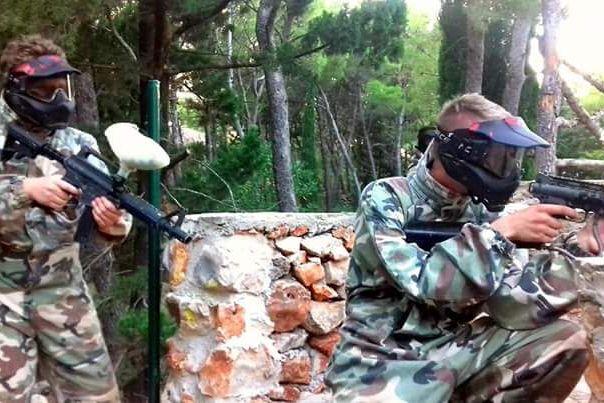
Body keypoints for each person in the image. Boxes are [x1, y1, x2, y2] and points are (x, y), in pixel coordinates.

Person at [325, 93, 600, 402]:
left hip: (456, 349)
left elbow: (513, 310)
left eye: (511, 157)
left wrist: (581, 249)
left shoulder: (485, 213)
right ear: (461, 151)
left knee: (565, 340)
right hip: (379, 357)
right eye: (499, 157)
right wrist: (499, 235)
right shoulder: (386, 197)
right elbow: (421, 282)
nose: (508, 169)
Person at [0, 35, 131, 402]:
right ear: (17, 86)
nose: (58, 99)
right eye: (44, 91)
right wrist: (26, 190)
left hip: (63, 290)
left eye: (62, 89)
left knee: (97, 396)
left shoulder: (79, 144)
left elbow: (104, 216)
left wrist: (112, 225)